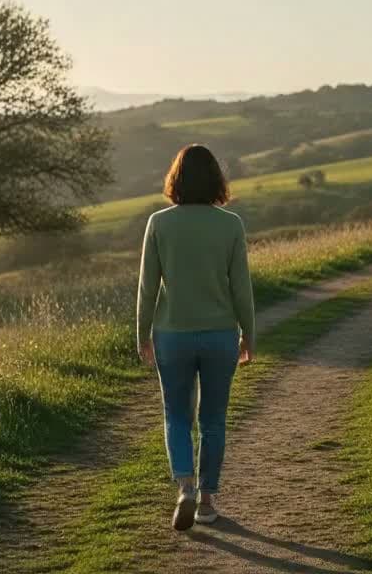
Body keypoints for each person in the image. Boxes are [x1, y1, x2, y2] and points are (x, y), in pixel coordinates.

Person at [136, 143, 256, 531]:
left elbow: (147, 287)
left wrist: (142, 335)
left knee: (176, 414)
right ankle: (206, 503)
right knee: (214, 419)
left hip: (172, 334)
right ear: (216, 181)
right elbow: (242, 289)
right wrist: (249, 335)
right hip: (221, 335)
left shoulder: (159, 223)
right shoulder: (231, 224)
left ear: (176, 180)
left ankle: (184, 485)